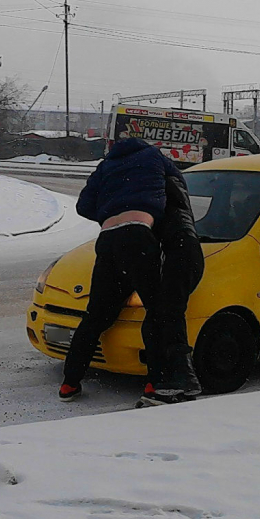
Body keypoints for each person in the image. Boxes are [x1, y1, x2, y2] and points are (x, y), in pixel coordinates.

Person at [59, 137, 181, 401]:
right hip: (138, 235)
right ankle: (155, 381)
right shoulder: (153, 156)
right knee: (156, 310)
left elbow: (83, 206)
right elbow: (178, 182)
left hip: (107, 239)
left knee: (96, 316)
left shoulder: (106, 165)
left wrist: (111, 210)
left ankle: (70, 382)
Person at [138, 172, 204, 406]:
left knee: (168, 315)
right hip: (186, 251)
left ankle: (182, 380)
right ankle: (166, 380)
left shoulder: (158, 197)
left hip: (180, 253)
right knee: (160, 316)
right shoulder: (173, 191)